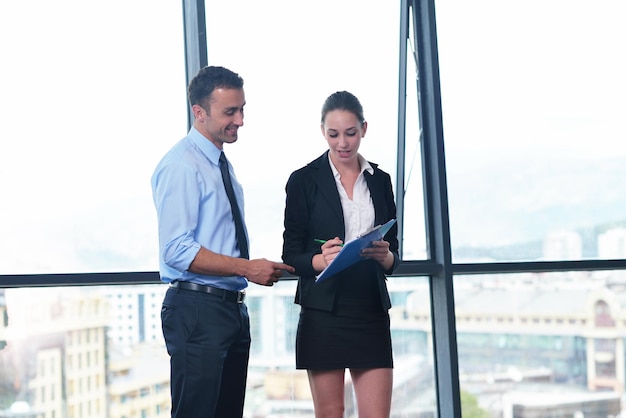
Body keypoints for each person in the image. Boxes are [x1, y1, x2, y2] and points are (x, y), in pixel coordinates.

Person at [151, 65, 294, 418]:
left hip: (229, 308)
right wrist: (248, 268)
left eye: (242, 109)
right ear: (199, 112)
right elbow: (177, 249)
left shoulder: (219, 164)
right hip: (198, 310)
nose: (240, 120)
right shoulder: (183, 165)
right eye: (230, 111)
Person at [282, 90, 400, 418]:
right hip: (324, 313)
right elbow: (292, 256)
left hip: (370, 310)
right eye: (333, 135)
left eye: (350, 133)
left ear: (364, 128)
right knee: (331, 413)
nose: (343, 143)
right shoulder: (303, 181)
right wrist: (321, 260)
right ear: (323, 132)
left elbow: (395, 256)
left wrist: (384, 255)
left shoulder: (380, 181)